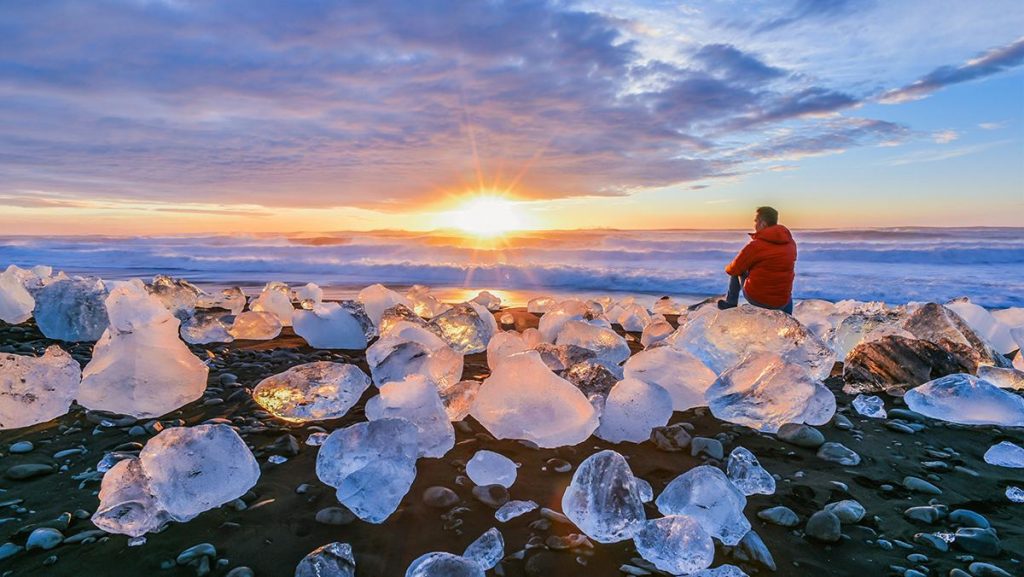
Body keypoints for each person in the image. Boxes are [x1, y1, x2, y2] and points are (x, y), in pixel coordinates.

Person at [717, 206, 796, 314]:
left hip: (759, 299)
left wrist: (731, 268)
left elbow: (733, 270)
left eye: (756, 221)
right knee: (782, 287)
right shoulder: (790, 243)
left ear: (762, 223)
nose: (754, 224)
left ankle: (730, 303)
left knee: (738, 270)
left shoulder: (755, 246)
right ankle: (788, 315)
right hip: (782, 302)